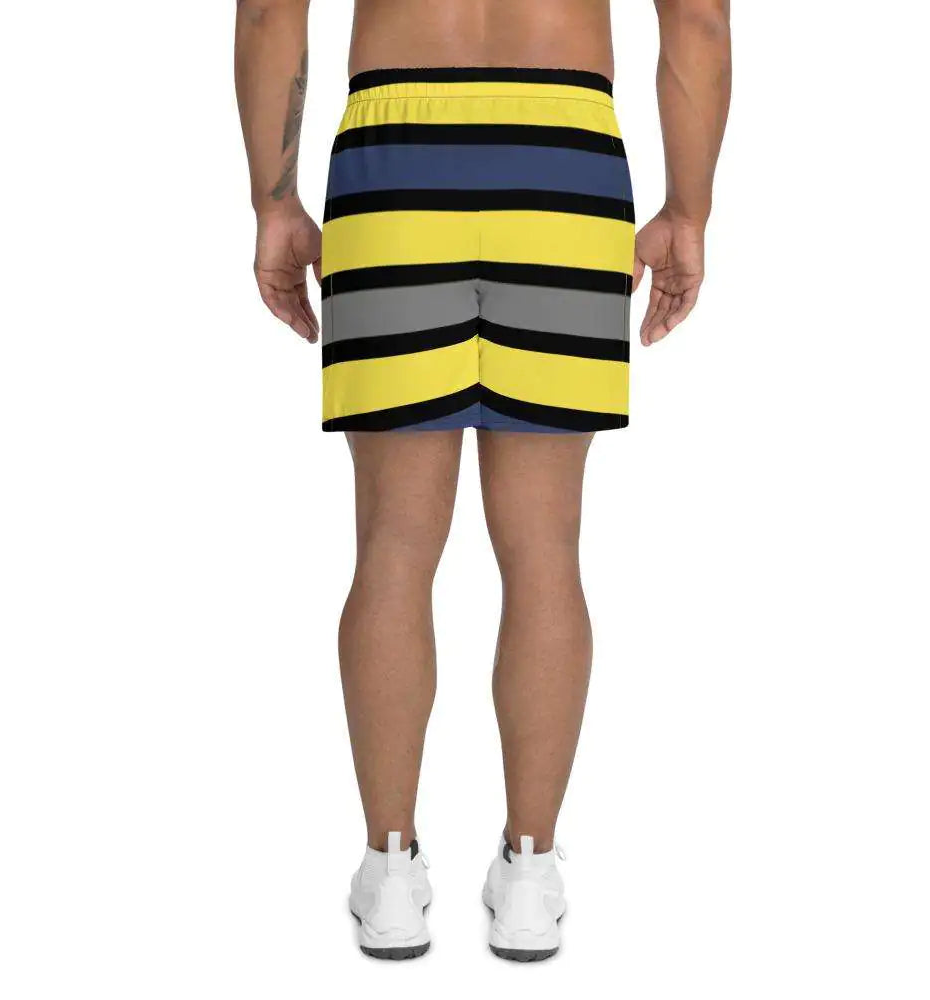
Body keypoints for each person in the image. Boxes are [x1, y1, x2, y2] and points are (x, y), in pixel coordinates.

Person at [234, 0, 731, 961]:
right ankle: (531, 873)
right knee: (545, 549)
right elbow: (699, 22)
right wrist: (690, 211)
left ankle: (389, 871)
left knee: (392, 543)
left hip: (395, 157)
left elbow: (267, 13)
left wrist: (273, 203)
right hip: (564, 152)